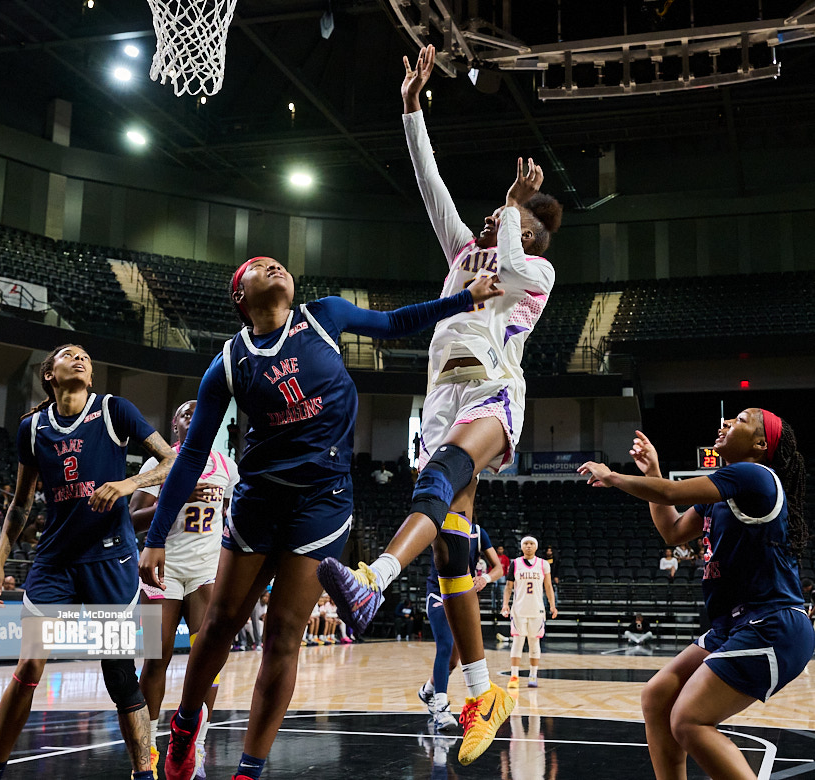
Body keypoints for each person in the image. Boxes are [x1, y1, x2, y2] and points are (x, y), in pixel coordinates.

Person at [137, 255, 502, 780]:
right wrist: (156, 537)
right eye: (260, 266)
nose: (276, 267)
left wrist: (467, 297)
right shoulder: (229, 362)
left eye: (279, 264)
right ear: (240, 296)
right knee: (219, 625)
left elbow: (395, 322)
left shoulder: (323, 315)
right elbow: (191, 454)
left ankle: (248, 771)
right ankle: (185, 725)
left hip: (323, 501)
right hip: (260, 499)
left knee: (284, 636)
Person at [318, 44, 563, 766]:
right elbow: (431, 186)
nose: (490, 215)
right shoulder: (462, 253)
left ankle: (372, 581)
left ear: (530, 231)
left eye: (508, 215)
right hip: (440, 399)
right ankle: (483, 691)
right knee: (455, 549)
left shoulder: (535, 268)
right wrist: (410, 107)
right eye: (496, 212)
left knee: (441, 476)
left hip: (493, 392)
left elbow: (512, 262)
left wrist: (515, 209)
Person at [578, 409, 813, 780]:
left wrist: (613, 476)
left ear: (760, 444)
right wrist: (652, 473)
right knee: (658, 697)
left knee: (689, 719)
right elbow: (672, 531)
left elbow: (671, 492)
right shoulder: (720, 493)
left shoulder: (755, 475)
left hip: (772, 624)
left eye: (740, 420)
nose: (725, 423)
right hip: (735, 624)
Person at [0, 343, 177, 780]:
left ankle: (143, 774)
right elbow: (21, 503)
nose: (81, 358)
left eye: (86, 356)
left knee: (119, 675)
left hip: (111, 558)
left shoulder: (113, 409)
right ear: (49, 374)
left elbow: (170, 460)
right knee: (29, 664)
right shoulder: (32, 428)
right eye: (69, 354)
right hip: (55, 560)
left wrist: (128, 484)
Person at [129, 398, 239, 779]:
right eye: (184, 413)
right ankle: (147, 748)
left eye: (198, 411)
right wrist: (176, 499)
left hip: (206, 572)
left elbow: (234, 516)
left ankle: (197, 744)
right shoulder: (158, 464)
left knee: (207, 660)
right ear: (174, 425)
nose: (192, 416)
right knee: (154, 659)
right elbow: (132, 518)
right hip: (162, 570)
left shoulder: (227, 466)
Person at [418, 519, 503, 731]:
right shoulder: (438, 524)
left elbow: (499, 568)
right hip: (437, 593)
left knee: (453, 661)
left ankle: (427, 690)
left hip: (462, 597)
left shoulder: (478, 532)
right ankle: (441, 707)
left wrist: (486, 579)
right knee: (445, 646)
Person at [501, 537, 558, 688]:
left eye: (531, 544)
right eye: (525, 543)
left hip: (537, 609)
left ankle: (533, 675)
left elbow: (548, 586)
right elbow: (508, 586)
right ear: (521, 547)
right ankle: (514, 676)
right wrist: (505, 604)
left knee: (534, 642)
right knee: (517, 642)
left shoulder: (543, 564)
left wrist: (552, 605)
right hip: (519, 609)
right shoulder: (515, 563)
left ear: (536, 547)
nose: (528, 546)